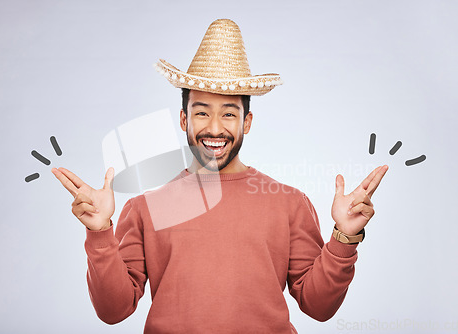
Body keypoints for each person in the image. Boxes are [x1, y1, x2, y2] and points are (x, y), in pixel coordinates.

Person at [52, 19, 388, 334]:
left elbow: (318, 306)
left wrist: (344, 238)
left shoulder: (289, 203)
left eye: (229, 113)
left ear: (247, 122)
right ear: (184, 120)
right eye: (202, 112)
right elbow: (114, 311)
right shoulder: (145, 209)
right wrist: (99, 233)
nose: (215, 128)